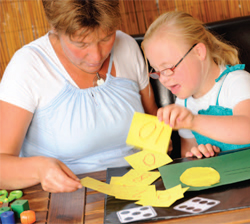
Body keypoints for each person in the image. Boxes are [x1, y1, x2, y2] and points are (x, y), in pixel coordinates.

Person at [0, 0, 158, 193]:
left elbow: (152, 121)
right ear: (55, 29)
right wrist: (39, 170)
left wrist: (161, 147)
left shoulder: (127, 46)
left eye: (106, 38)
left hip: (139, 188)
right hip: (66, 202)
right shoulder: (28, 66)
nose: (96, 56)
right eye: (81, 43)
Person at [141, 11, 250, 159]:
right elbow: (188, 153)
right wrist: (198, 154)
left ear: (198, 52)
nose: (163, 79)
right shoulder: (183, 103)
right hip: (235, 173)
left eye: (168, 68)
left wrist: (193, 121)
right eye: (158, 72)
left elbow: (248, 130)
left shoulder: (237, 82)